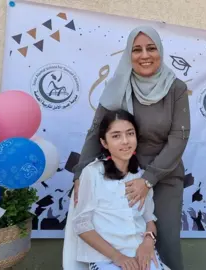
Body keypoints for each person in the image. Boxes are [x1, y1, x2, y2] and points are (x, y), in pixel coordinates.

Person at [71, 26, 190, 270]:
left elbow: (179, 137)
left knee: (165, 245)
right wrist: (80, 173)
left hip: (164, 176)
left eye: (151, 48)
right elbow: (97, 131)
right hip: (121, 174)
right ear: (128, 54)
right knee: (120, 238)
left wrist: (148, 179)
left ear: (160, 51)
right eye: (136, 49)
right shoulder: (118, 85)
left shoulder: (176, 88)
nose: (144, 55)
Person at [63, 110, 163, 270]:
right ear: (104, 143)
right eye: (116, 136)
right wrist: (118, 257)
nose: (125, 141)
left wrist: (149, 241)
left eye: (130, 134)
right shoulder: (92, 172)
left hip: (142, 254)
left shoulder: (140, 176)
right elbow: (82, 225)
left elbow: (149, 219)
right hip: (106, 259)